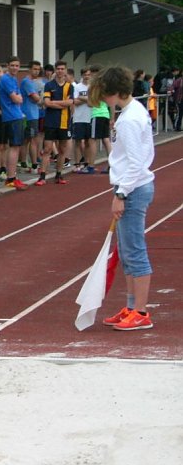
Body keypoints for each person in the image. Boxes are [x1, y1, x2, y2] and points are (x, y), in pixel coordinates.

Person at [90, 67, 156, 331]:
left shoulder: (129, 119)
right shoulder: (133, 111)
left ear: (114, 91)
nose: (104, 100)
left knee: (134, 251)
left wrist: (120, 194)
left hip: (132, 189)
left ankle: (140, 311)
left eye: (104, 94)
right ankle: (131, 307)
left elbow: (136, 162)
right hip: (133, 187)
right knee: (127, 252)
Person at [36, 60, 74, 186]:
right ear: (55, 70)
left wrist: (54, 103)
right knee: (47, 149)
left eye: (62, 69)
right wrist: (61, 104)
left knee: (62, 149)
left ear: (65, 71)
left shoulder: (70, 86)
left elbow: (70, 102)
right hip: (50, 121)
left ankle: (59, 174)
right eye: (58, 69)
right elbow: (46, 102)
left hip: (64, 122)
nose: (60, 71)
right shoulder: (49, 85)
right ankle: (42, 176)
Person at [0, 56, 28, 190]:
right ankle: (11, 178)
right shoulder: (5, 79)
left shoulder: (14, 79)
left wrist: (18, 98)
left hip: (16, 115)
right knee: (14, 147)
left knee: (16, 146)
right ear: (7, 65)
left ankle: (12, 176)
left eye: (17, 65)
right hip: (12, 116)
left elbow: (20, 97)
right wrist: (18, 98)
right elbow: (17, 99)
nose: (15, 68)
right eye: (12, 65)